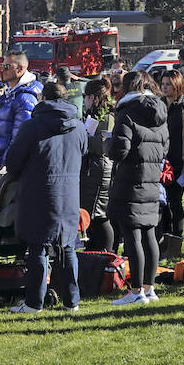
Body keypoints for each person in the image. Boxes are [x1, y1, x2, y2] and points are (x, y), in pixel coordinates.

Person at [5, 83, 87, 314]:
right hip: (69, 193)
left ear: (43, 98)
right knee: (68, 246)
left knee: (38, 248)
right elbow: (83, 154)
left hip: (38, 192)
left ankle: (34, 302)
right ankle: (72, 300)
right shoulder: (79, 127)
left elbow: (13, 162)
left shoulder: (32, 126)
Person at [106, 71, 169, 305]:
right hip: (152, 179)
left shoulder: (127, 112)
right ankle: (149, 288)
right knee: (149, 233)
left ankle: (136, 292)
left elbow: (119, 150)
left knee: (132, 235)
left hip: (129, 179)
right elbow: (164, 148)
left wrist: (106, 143)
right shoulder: (161, 112)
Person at [0, 52, 43, 179]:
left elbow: (20, 138)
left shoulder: (25, 99)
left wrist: (5, 166)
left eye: (7, 66)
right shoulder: (10, 94)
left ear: (20, 68)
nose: (3, 70)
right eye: (2, 66)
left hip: (10, 172)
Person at [157, 69, 184, 254]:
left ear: (177, 85)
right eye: (163, 84)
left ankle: (176, 241)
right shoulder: (160, 105)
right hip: (161, 161)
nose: (164, 87)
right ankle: (163, 241)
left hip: (178, 162)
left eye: (168, 84)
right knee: (162, 203)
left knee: (175, 203)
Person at [79, 79, 115, 253]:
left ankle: (106, 253)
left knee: (99, 214)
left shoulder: (107, 116)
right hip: (91, 169)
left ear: (92, 97)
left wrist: (81, 138)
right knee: (90, 215)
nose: (84, 100)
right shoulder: (91, 114)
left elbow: (102, 145)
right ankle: (92, 251)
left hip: (101, 169)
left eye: (85, 96)